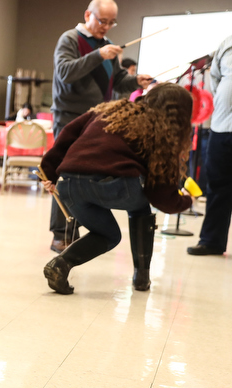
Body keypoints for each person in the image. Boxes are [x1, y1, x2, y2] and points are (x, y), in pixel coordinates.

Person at [40, 83, 193, 295]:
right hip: (115, 185)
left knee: (108, 234)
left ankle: (60, 265)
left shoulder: (110, 110)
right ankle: (141, 278)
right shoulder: (161, 128)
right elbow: (160, 196)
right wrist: (185, 200)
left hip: (69, 184)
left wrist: (49, 174)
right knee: (141, 207)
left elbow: (67, 134)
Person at [49, 0, 151, 253]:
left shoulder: (107, 47)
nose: (106, 27)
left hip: (97, 121)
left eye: (111, 22)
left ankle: (78, 230)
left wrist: (136, 81)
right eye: (102, 21)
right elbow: (65, 73)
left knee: (89, 173)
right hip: (69, 118)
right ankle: (60, 233)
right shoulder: (70, 38)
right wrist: (97, 56)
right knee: (64, 174)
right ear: (88, 15)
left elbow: (116, 81)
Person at [187, 34, 232, 256]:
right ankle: (212, 241)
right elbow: (214, 80)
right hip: (222, 126)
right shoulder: (226, 44)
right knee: (217, 184)